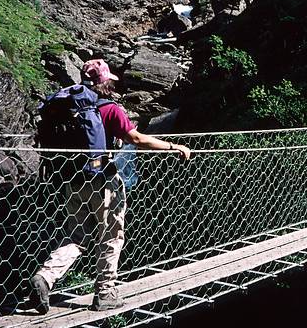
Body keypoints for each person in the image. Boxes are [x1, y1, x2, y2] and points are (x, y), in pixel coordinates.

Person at [28, 59, 191, 313]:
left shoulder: (69, 107)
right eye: (109, 81)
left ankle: (46, 277)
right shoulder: (110, 109)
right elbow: (135, 138)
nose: (112, 86)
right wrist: (173, 147)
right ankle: (105, 292)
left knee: (76, 236)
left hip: (72, 180)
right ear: (103, 82)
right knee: (111, 236)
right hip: (103, 181)